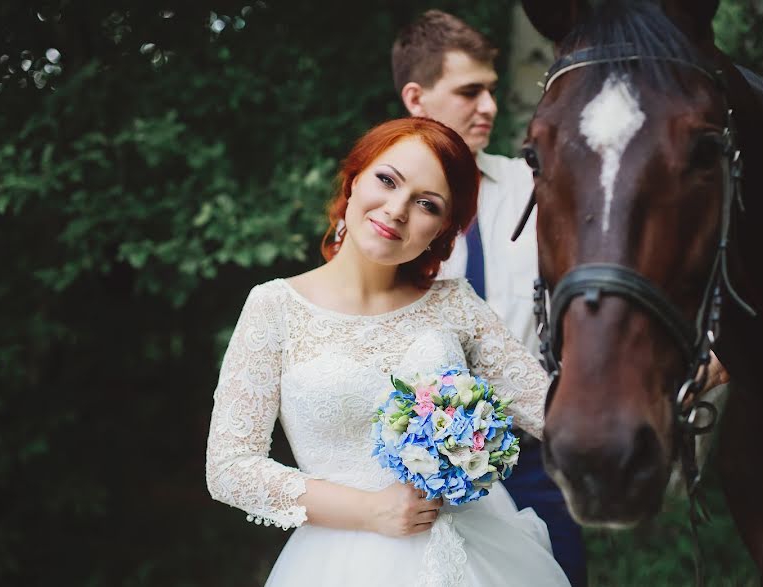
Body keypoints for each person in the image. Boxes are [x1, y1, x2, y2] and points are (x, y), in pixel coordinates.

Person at [205, 117, 570, 586]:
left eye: (427, 204)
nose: (397, 209)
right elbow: (230, 469)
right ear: (354, 179)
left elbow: (556, 415)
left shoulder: (455, 304)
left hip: (475, 556)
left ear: (443, 231)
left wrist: (682, 387)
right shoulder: (274, 307)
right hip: (335, 565)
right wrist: (370, 511)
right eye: (387, 180)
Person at [391, 11, 588, 585]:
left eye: (493, 91)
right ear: (417, 97)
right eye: (469, 91)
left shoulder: (535, 189)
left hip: (533, 462)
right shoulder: (379, 216)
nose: (490, 107)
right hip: (415, 473)